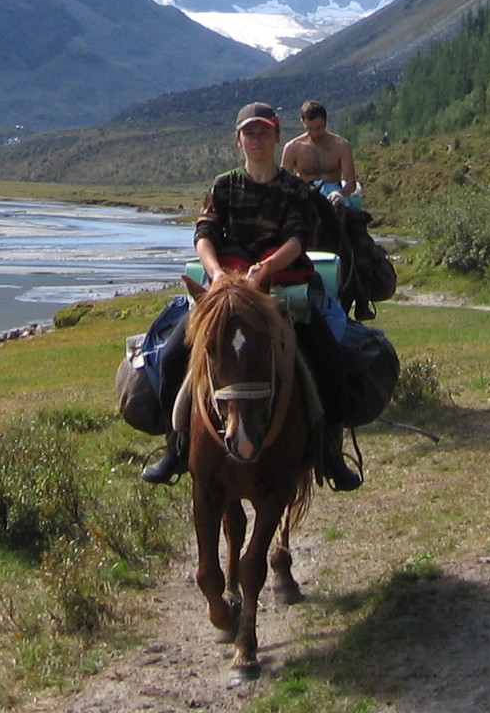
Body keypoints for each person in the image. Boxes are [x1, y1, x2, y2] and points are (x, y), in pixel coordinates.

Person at [141, 101, 363, 491]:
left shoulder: (295, 189)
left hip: (282, 289)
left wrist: (268, 267)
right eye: (249, 132)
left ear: (277, 137)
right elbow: (205, 234)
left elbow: (298, 238)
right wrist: (215, 273)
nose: (256, 139)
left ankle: (328, 450)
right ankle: (175, 447)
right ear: (238, 139)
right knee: (174, 355)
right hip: (225, 292)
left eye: (263, 132)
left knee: (328, 359)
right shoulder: (224, 185)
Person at [282, 99, 359, 203]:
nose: (315, 134)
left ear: (325, 122)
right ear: (302, 122)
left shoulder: (341, 146)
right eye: (309, 129)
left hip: (334, 198)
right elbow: (283, 183)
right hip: (306, 197)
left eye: (319, 128)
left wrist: (340, 193)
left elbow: (351, 183)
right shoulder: (292, 148)